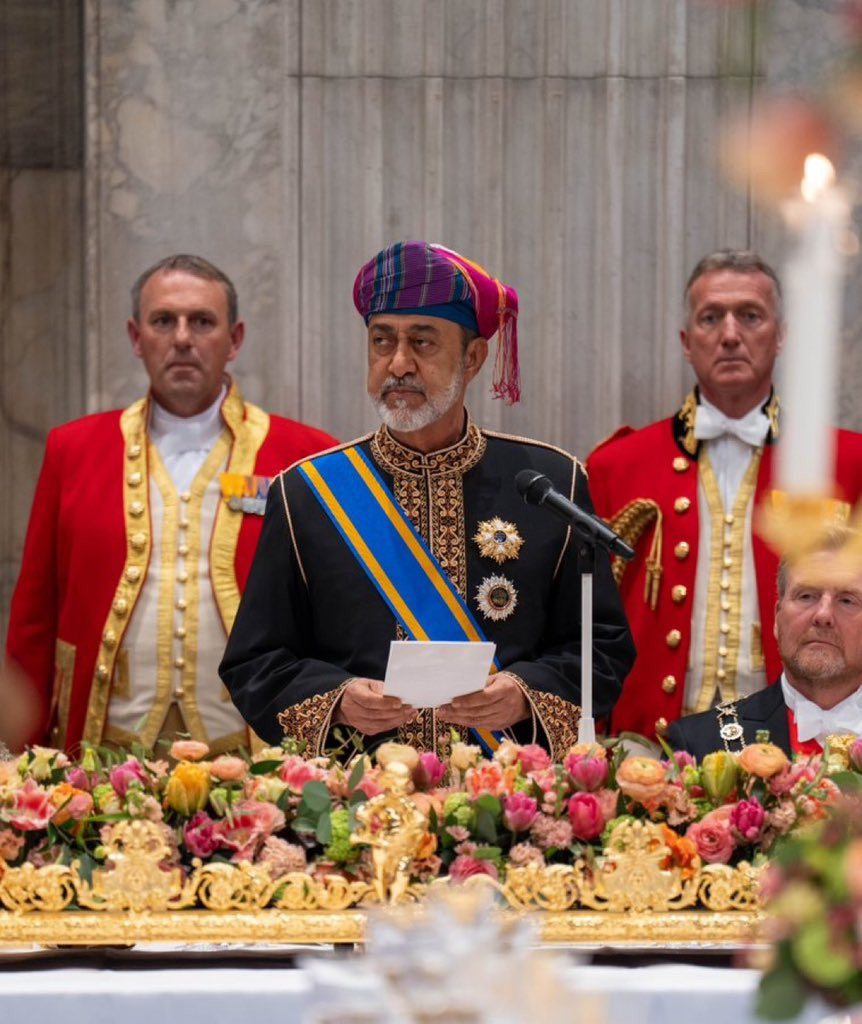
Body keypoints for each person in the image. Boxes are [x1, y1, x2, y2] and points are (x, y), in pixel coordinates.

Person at [220, 240, 635, 759]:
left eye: (423, 342)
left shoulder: (551, 482)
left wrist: (525, 694)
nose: (398, 364)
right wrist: (337, 701)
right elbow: (255, 663)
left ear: (474, 357)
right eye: (381, 341)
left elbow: (602, 648)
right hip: (360, 794)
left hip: (512, 792)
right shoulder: (307, 492)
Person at [5, 254, 337, 754]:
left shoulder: (305, 456)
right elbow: (35, 616)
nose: (182, 338)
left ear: (234, 339)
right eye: (163, 321)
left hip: (254, 755)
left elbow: (330, 619)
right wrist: (21, 758)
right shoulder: (72, 450)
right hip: (103, 750)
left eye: (202, 321)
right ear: (136, 337)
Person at [586, 249, 862, 741]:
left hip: (806, 740)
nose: (730, 334)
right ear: (687, 341)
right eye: (711, 317)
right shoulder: (616, 466)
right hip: (649, 743)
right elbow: (591, 626)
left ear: (780, 335)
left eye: (750, 315)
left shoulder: (847, 463)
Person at [667, 529, 862, 759]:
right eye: (807, 596)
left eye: (847, 600)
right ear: (777, 618)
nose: (823, 614)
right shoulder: (697, 743)